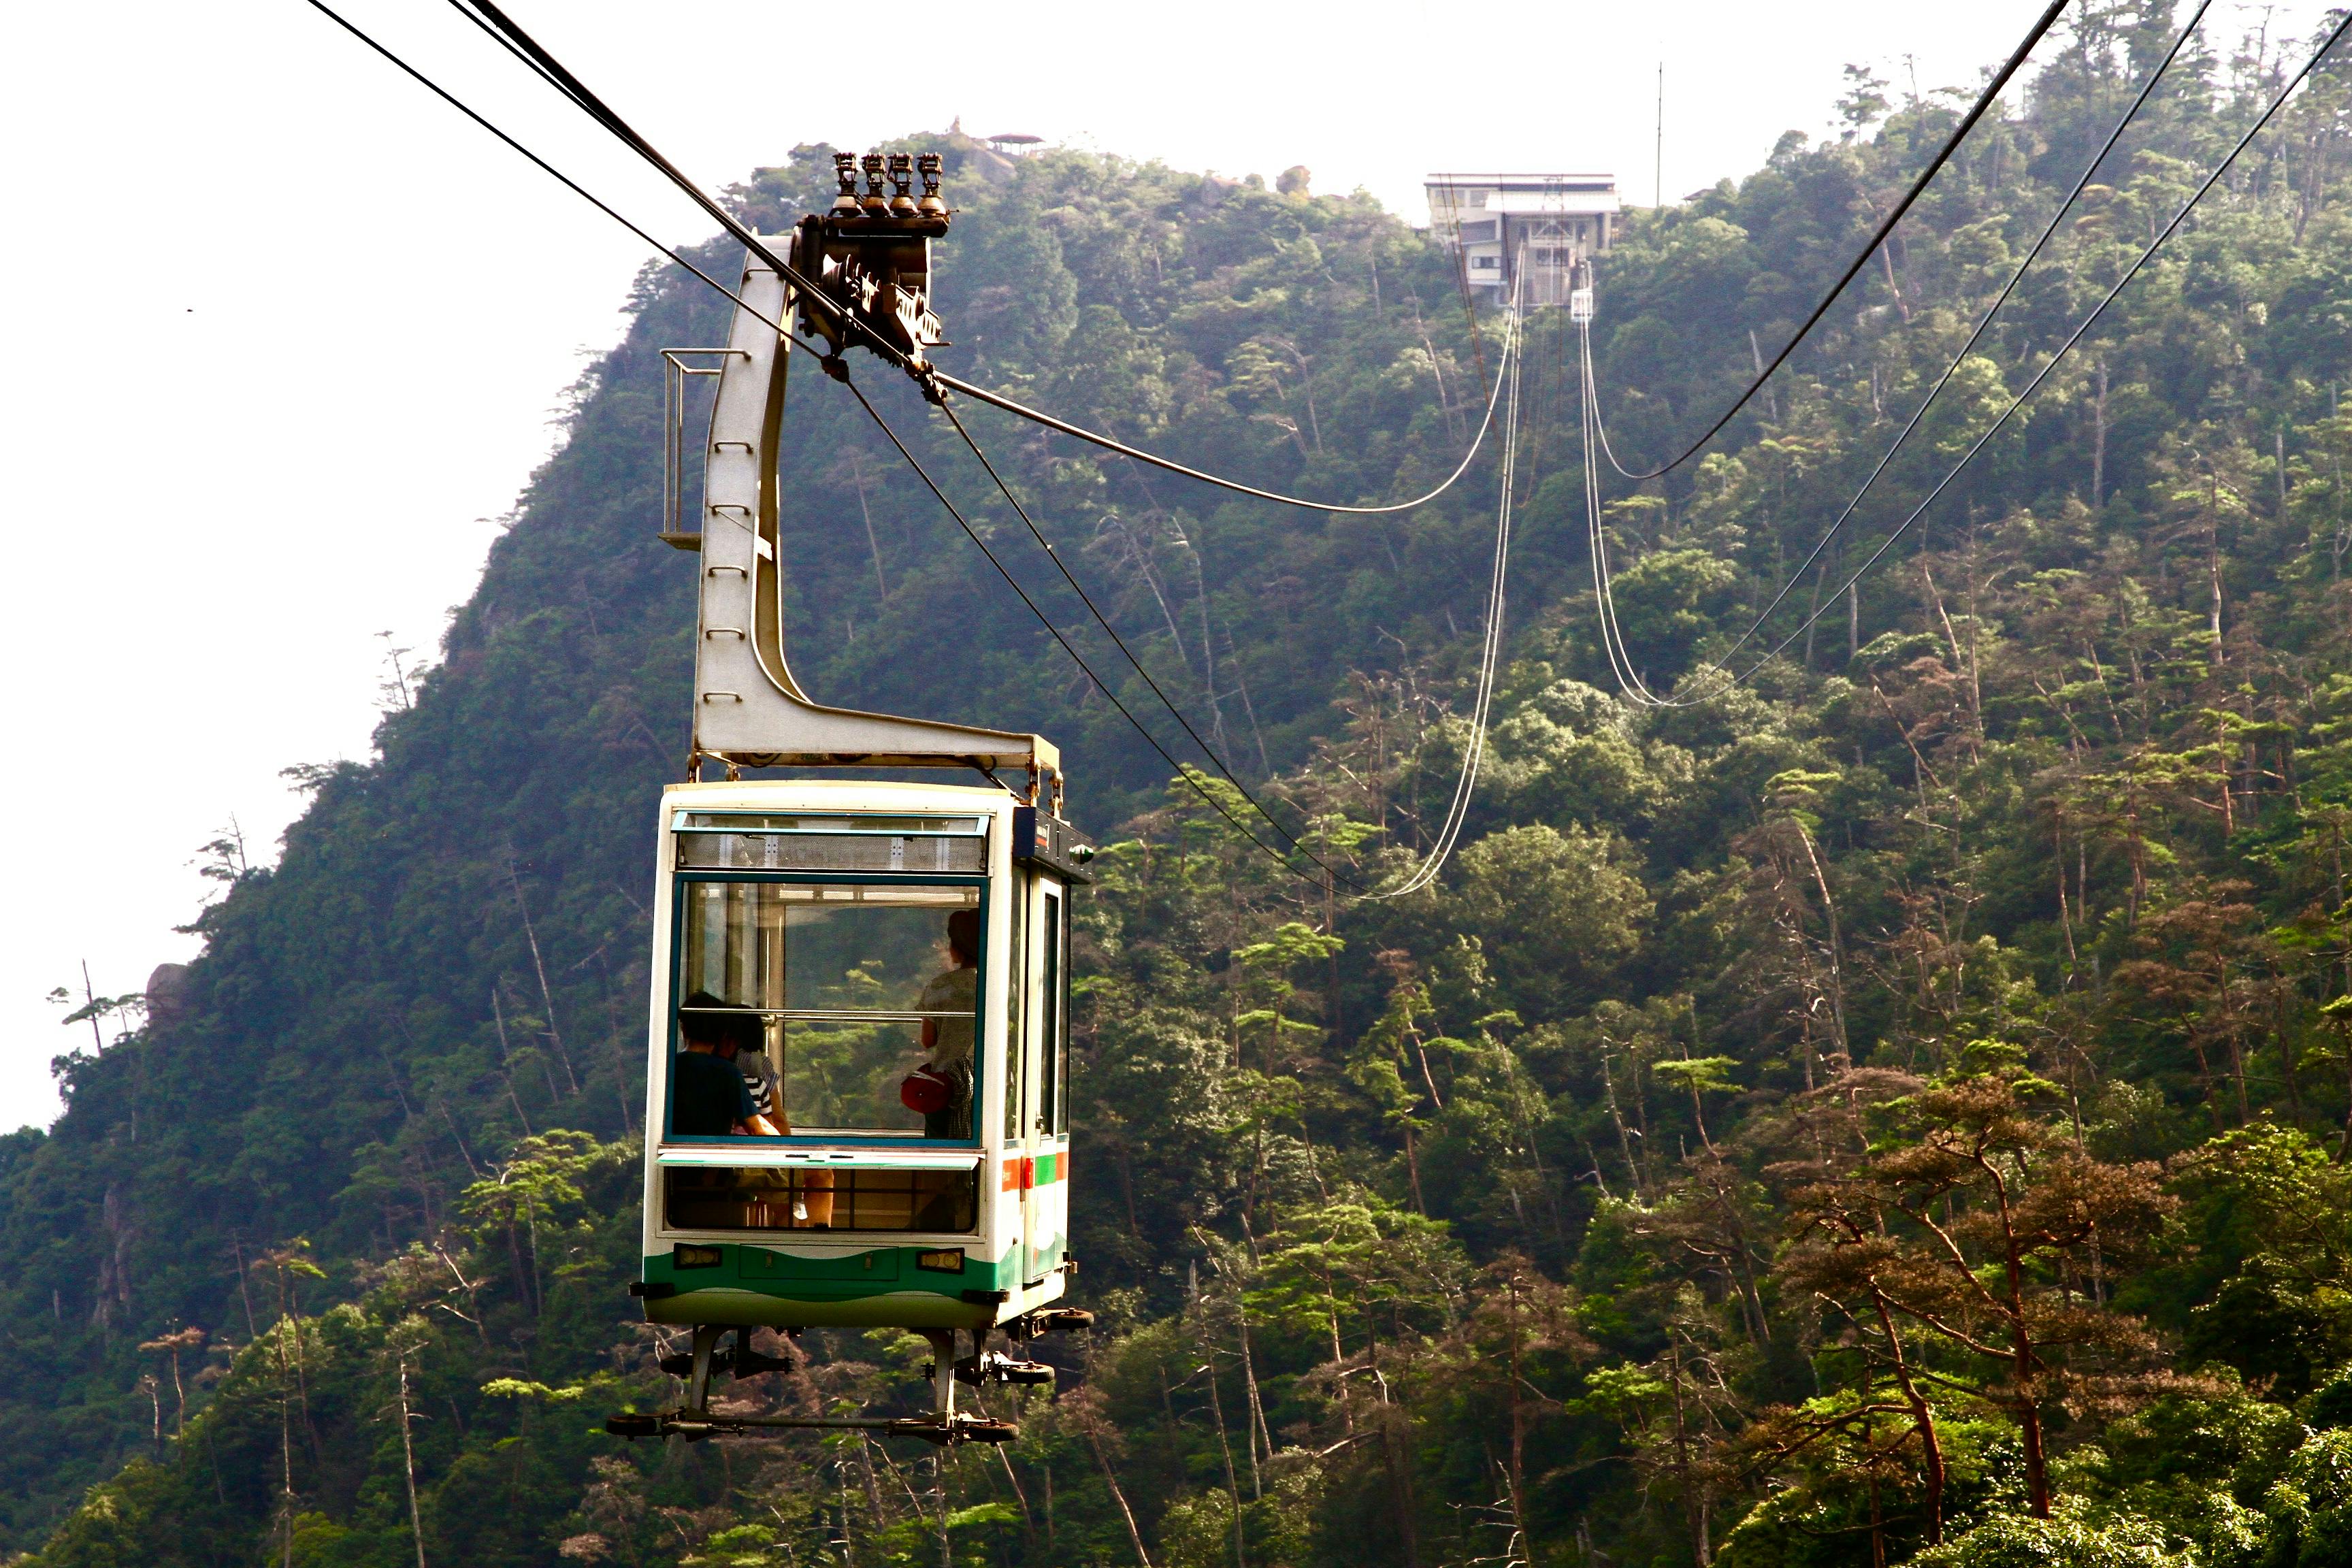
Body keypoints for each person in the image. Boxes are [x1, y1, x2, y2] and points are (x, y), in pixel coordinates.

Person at [673, 998, 783, 1138]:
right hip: (713, 1152)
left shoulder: (670, 1068)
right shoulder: (728, 1072)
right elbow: (758, 1127)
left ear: (683, 1028)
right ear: (723, 1033)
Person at [915, 909, 979, 1139]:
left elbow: (927, 1040)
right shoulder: (999, 986)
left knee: (940, 1146)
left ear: (959, 948)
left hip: (944, 1084)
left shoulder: (940, 986)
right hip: (985, 1081)